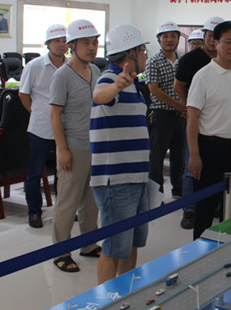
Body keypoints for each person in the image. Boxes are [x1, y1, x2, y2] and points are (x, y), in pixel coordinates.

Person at [187, 20, 231, 239]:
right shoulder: (203, 76)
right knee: (205, 209)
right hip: (210, 150)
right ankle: (201, 253)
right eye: (228, 42)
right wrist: (194, 154)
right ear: (215, 43)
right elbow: (192, 117)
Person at [90, 24, 150, 285]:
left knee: (132, 243)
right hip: (117, 180)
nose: (146, 56)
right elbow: (99, 95)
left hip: (136, 176)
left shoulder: (133, 82)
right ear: (131, 53)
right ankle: (105, 300)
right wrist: (116, 86)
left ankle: (126, 293)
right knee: (114, 248)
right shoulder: (111, 78)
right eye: (144, 51)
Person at [49, 19, 102, 273]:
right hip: (74, 146)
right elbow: (54, 115)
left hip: (95, 145)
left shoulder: (96, 71)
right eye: (86, 43)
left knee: (91, 201)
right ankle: (61, 252)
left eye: (94, 42)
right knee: (67, 203)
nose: (92, 48)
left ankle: (88, 244)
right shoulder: (62, 75)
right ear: (72, 46)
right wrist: (62, 149)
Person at [174, 16, 223, 229]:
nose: (212, 40)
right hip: (196, 118)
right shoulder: (190, 59)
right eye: (210, 35)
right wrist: (189, 107)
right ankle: (190, 210)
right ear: (204, 36)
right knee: (191, 164)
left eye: (216, 36)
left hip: (217, 120)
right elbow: (178, 86)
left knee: (215, 164)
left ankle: (216, 205)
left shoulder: (225, 59)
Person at [19, 24, 68, 228]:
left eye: (64, 41)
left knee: (63, 172)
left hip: (65, 127)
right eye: (56, 41)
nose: (61, 44)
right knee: (35, 172)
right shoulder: (35, 66)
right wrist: (36, 111)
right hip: (40, 127)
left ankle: (63, 210)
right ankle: (34, 212)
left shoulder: (71, 65)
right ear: (48, 43)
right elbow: (23, 94)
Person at [145, 20, 186, 198]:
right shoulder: (153, 61)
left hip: (181, 116)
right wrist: (178, 105)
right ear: (159, 39)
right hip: (162, 115)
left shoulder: (183, 61)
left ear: (178, 39)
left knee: (179, 155)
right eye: (165, 36)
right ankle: (157, 195)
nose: (169, 39)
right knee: (157, 157)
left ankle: (178, 190)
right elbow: (154, 89)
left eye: (173, 36)